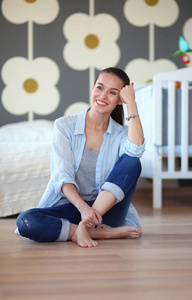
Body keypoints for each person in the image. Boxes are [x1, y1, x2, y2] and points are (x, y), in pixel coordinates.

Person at [16, 67, 145, 248]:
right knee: (26, 220)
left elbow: (136, 149)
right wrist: (84, 210)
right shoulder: (64, 126)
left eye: (112, 92)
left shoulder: (121, 134)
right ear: (93, 88)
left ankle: (85, 227)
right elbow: (62, 176)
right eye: (99, 88)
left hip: (107, 212)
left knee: (132, 160)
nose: (102, 96)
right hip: (74, 208)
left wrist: (131, 103)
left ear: (119, 100)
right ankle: (101, 233)